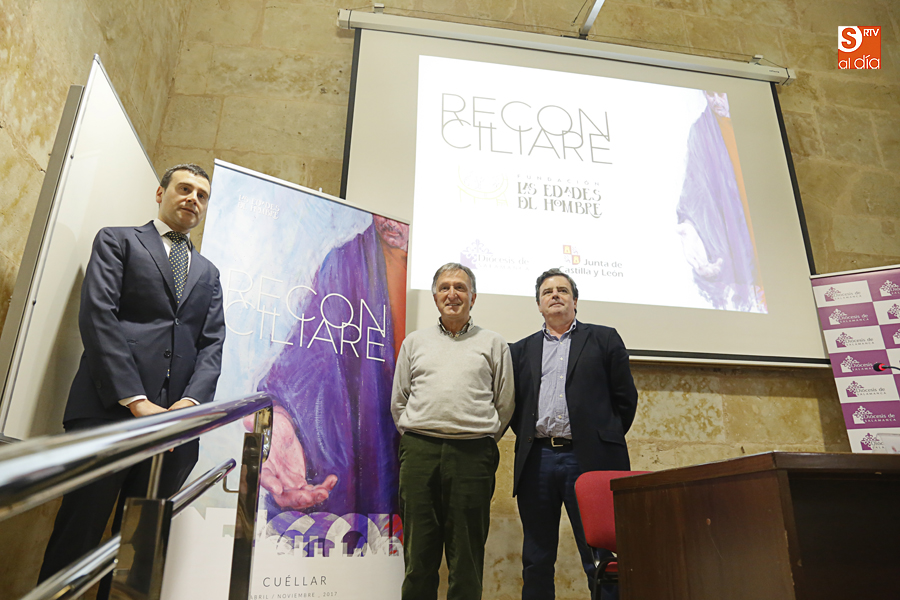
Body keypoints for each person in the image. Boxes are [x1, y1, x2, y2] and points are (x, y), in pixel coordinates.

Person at [38, 164, 225, 599]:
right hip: (107, 414)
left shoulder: (209, 273)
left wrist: (189, 406)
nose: (193, 199)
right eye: (184, 188)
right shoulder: (117, 240)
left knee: (137, 552)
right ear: (160, 193)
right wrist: (137, 401)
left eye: (201, 194)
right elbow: (98, 316)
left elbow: (212, 344)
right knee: (77, 536)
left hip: (172, 433)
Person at [255, 215, 409, 547]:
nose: (390, 223)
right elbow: (307, 354)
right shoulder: (345, 264)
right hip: (374, 463)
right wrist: (279, 416)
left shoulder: (445, 280)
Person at [510, 268, 638, 600]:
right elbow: (515, 408)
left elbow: (625, 400)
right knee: (536, 558)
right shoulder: (520, 350)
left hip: (590, 460)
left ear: (575, 300)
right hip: (538, 461)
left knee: (600, 556)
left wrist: (597, 438)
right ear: (539, 305)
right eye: (547, 292)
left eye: (563, 290)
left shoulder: (604, 339)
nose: (555, 295)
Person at [391, 262, 515, 600]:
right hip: (419, 452)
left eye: (460, 287)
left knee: (467, 558)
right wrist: (418, 434)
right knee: (418, 555)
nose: (452, 294)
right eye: (445, 287)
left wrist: (478, 435)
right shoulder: (414, 342)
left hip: (472, 455)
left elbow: (505, 403)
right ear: (435, 297)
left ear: (473, 297)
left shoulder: (493, 343)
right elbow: (399, 401)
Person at [675, 90, 765, 313]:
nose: (716, 101)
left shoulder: (758, 128)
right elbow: (695, 186)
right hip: (739, 237)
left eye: (720, 94)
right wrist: (689, 226)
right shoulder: (701, 132)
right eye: (709, 94)